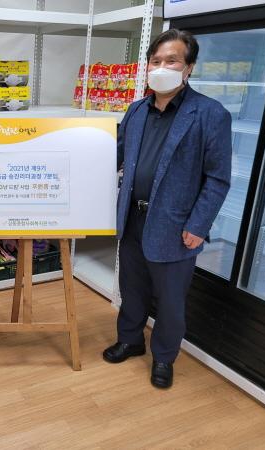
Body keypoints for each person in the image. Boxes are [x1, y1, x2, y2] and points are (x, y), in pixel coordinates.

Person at [103, 29, 232, 388]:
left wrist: (199, 225)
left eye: (172, 60)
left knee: (171, 299)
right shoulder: (137, 110)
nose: (161, 67)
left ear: (189, 67)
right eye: (156, 60)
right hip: (132, 217)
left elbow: (217, 179)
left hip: (176, 226)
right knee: (131, 287)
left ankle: (164, 357)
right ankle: (130, 340)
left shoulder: (209, 114)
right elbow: (116, 155)